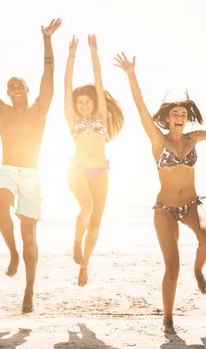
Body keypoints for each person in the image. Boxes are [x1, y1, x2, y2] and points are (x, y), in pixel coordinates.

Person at [114, 52, 206, 334]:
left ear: (186, 119)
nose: (179, 117)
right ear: (166, 119)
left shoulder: (193, 139)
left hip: (191, 204)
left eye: (183, 114)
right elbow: (141, 107)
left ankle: (199, 270)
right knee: (172, 267)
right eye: (174, 114)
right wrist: (131, 75)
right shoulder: (158, 140)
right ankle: (168, 318)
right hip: (165, 209)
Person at [0, 18, 62, 313]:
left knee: (30, 235)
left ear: (27, 89)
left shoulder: (40, 108)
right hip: (8, 169)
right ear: (7, 93)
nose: (14, 89)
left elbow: (49, 74)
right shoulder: (2, 111)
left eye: (19, 85)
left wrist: (47, 39)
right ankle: (12, 254)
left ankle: (29, 291)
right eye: (10, 87)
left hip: (33, 174)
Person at [64, 34, 124, 287]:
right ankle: (76, 242)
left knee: (96, 223)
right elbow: (67, 84)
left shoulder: (100, 116)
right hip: (77, 168)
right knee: (86, 209)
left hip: (101, 171)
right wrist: (72, 55)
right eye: (81, 103)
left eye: (88, 101)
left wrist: (94, 51)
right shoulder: (73, 119)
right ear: (75, 106)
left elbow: (99, 84)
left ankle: (85, 265)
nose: (85, 105)